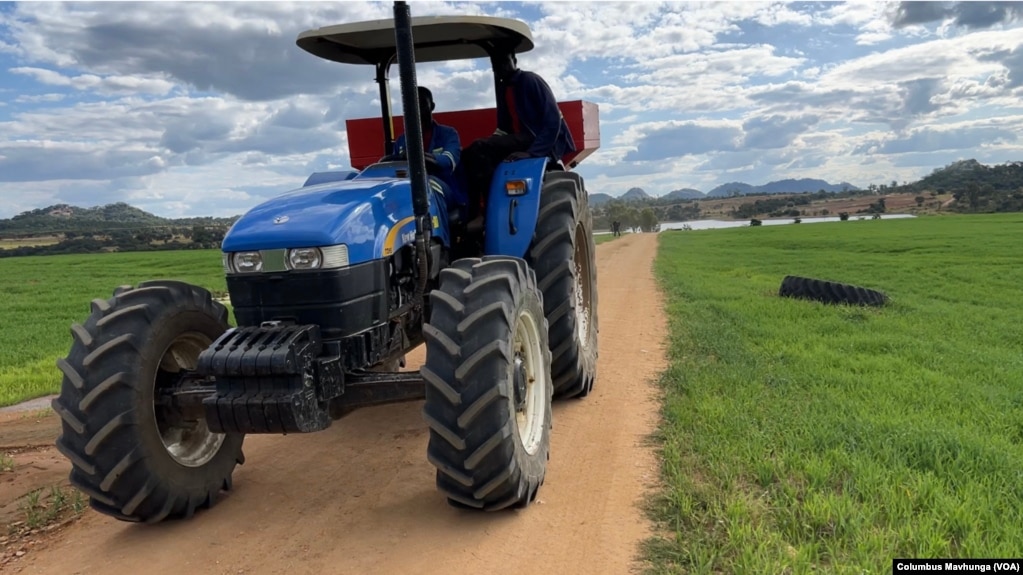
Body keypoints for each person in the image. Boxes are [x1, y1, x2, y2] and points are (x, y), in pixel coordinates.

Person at [461, 52, 576, 225]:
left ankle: (488, 209)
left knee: (480, 147)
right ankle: (471, 212)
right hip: (521, 138)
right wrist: (492, 142)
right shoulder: (504, 87)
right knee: (468, 154)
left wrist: (532, 153)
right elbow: (504, 127)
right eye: (495, 64)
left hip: (539, 139)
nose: (500, 67)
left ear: (514, 61)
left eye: (504, 62)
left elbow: (553, 122)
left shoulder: (530, 80)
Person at [390, 86, 467, 214]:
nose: (417, 110)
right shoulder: (401, 141)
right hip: (409, 189)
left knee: (428, 187)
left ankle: (436, 233)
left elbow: (449, 159)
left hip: (443, 188)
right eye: (412, 105)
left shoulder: (448, 134)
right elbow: (393, 170)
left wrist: (421, 158)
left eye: (422, 104)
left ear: (432, 106)